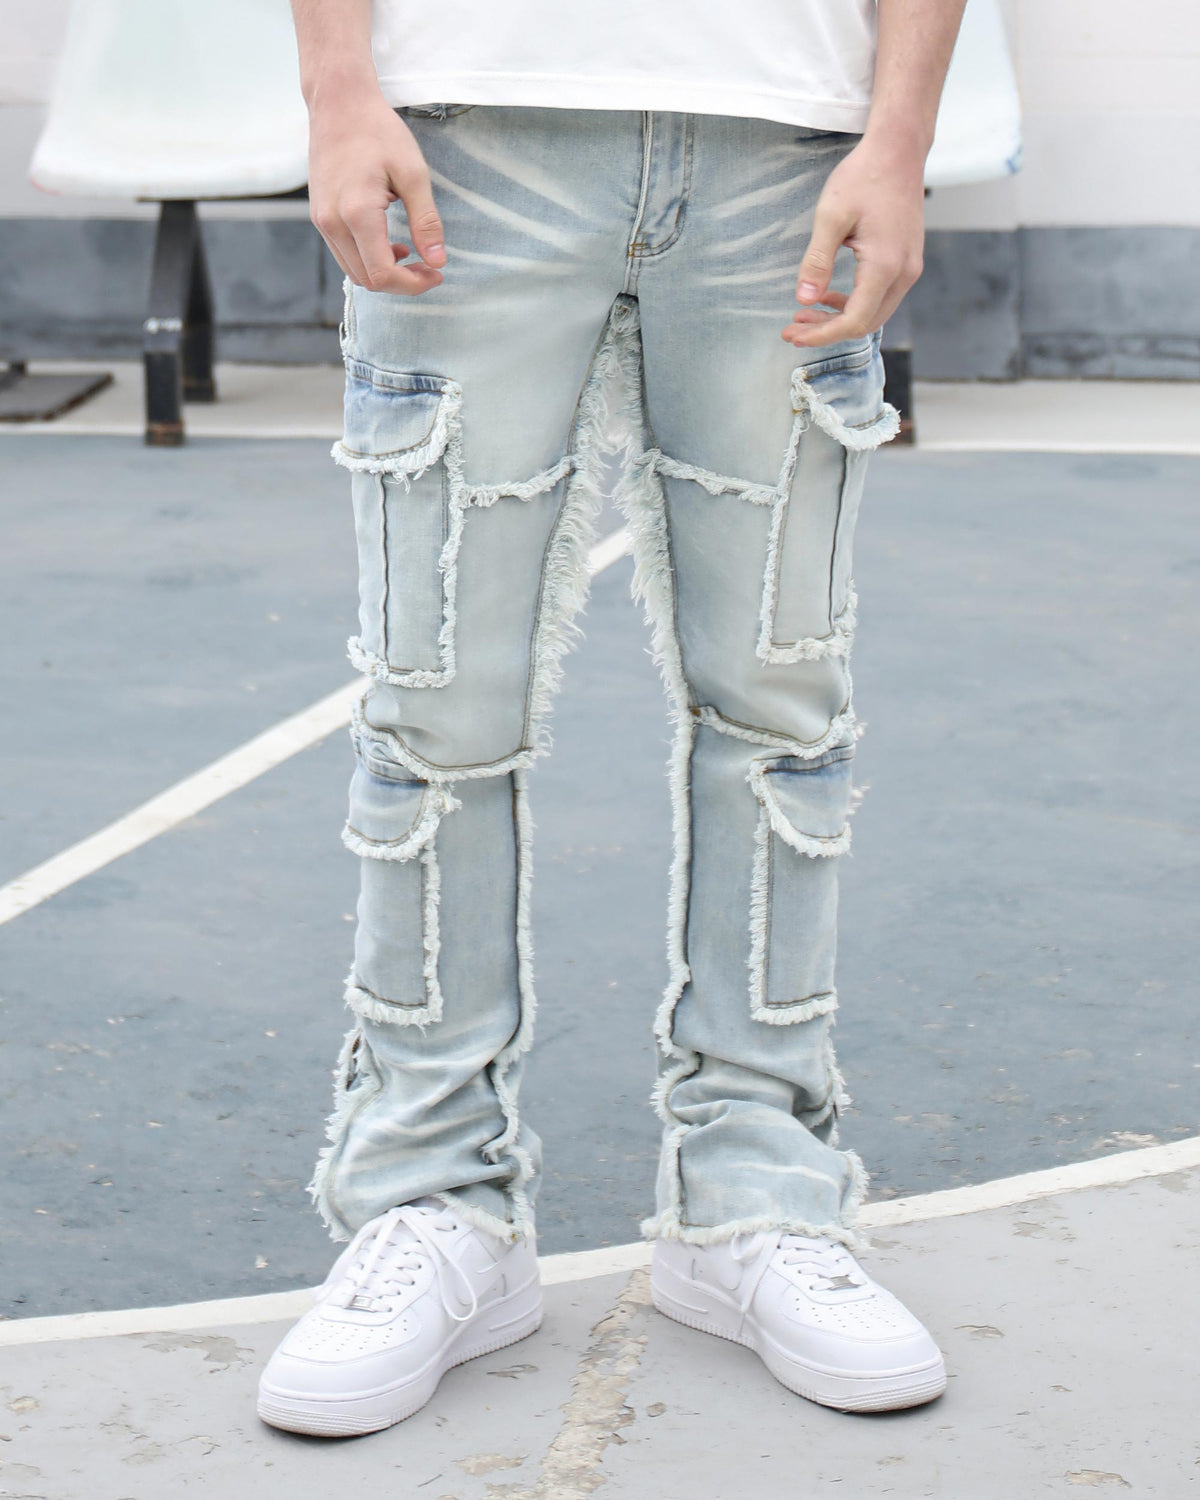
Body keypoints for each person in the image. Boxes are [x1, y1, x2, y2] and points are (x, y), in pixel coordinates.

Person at [258, 0, 967, 1435]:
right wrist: (337, 92)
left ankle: (756, 1196)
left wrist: (901, 137)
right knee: (433, 713)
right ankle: (430, 1199)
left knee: (782, 708)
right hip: (463, 130)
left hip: (790, 141)